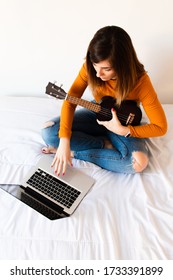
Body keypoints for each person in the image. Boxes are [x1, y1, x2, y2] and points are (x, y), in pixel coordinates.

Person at [41, 25, 167, 176]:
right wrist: (64, 142)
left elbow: (160, 127)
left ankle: (76, 153)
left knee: (138, 163)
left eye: (106, 69)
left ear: (123, 65)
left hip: (123, 123)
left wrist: (124, 131)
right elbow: (70, 100)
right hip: (99, 112)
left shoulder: (141, 81)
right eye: (95, 65)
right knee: (49, 132)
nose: (98, 74)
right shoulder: (90, 69)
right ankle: (102, 144)